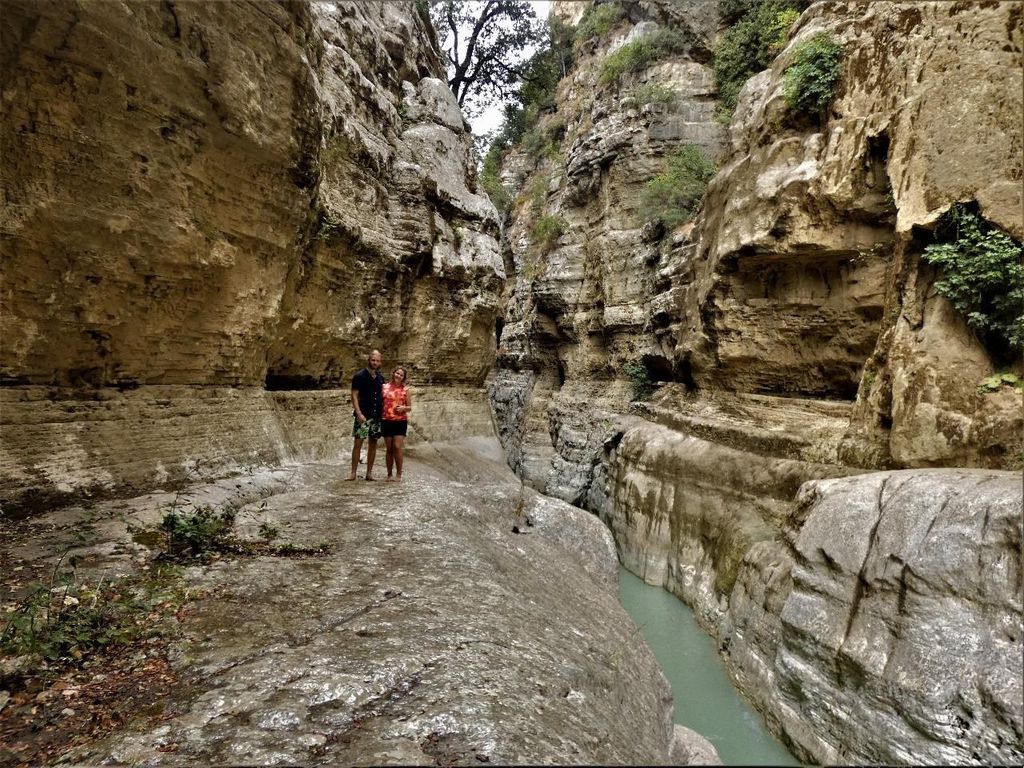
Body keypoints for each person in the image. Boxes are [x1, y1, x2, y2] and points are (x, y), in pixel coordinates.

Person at [347, 349, 384, 481]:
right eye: (373, 360)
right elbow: (354, 395)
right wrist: (358, 413)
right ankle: (353, 473)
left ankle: (369, 473)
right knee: (358, 443)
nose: (375, 362)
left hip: (376, 415)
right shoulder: (360, 376)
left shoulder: (380, 377)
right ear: (369, 360)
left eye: (377, 361)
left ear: (380, 362)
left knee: (373, 443)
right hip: (363, 415)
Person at [381, 366, 412, 482]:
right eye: (397, 373)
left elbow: (410, 407)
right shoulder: (384, 387)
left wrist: (404, 408)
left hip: (400, 421)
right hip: (386, 420)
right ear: (393, 373)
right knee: (389, 448)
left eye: (401, 375)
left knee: (397, 447)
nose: (398, 376)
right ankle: (389, 474)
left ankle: (398, 474)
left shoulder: (406, 390)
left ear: (403, 378)